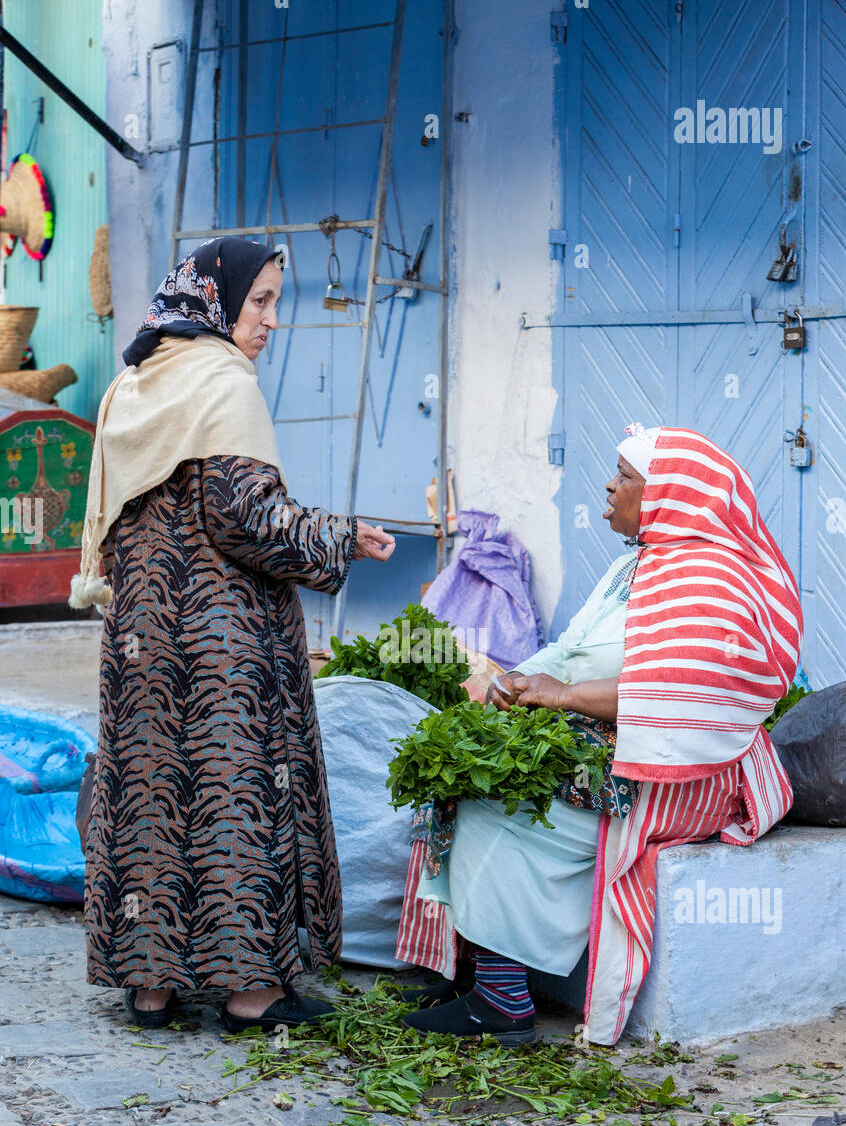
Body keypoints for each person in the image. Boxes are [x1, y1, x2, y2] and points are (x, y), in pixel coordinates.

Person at [70, 237, 395, 1031]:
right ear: (218, 303)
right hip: (222, 652)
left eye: (275, 302)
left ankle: (152, 987)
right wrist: (339, 534)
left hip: (143, 640)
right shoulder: (224, 385)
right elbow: (243, 517)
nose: (272, 321)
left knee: (151, 798)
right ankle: (250, 991)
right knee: (230, 801)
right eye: (261, 302)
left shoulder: (134, 384)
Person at [397, 424, 803, 1046]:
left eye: (626, 476)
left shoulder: (706, 579)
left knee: (504, 799)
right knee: (454, 777)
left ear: (668, 492)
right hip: (606, 736)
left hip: (678, 770)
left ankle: (503, 1004)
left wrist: (558, 696)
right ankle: (475, 970)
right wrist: (522, 681)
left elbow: (676, 695)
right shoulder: (632, 565)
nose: (610, 486)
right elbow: (574, 646)